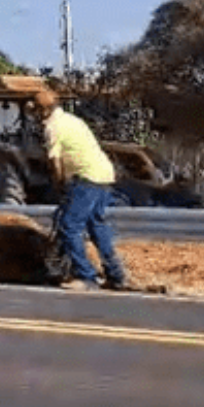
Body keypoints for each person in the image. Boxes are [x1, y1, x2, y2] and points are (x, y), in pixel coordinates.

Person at [30, 88, 132, 291]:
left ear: (42, 111)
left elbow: (55, 162)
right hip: (104, 175)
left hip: (86, 178)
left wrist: (59, 186)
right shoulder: (72, 120)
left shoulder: (52, 127)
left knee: (69, 226)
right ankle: (116, 276)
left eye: (34, 111)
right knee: (97, 227)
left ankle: (87, 277)